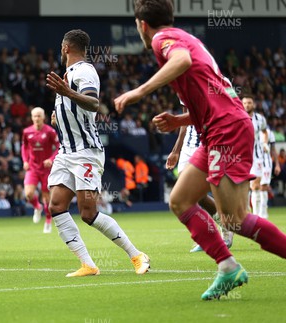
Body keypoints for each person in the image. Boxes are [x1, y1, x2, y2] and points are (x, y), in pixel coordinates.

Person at [115, 0, 286, 300]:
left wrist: (138, 92)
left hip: (226, 131)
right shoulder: (187, 37)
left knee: (235, 219)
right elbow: (217, 96)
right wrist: (180, 119)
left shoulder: (161, 40)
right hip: (216, 128)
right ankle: (228, 266)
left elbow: (181, 62)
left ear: (142, 25)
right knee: (180, 200)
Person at [45, 29, 150, 277]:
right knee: (57, 206)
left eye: (61, 47)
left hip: (85, 152)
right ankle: (88, 264)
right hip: (66, 151)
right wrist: (58, 119)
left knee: (88, 213)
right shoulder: (68, 74)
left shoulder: (84, 70)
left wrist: (67, 93)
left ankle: (137, 255)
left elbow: (93, 102)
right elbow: (76, 111)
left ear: (65, 47)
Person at [166, 105, 232, 253]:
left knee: (200, 192)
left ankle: (218, 229)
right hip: (187, 149)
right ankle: (211, 233)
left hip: (207, 146)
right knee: (188, 195)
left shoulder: (217, 85)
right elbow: (184, 124)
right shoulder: (183, 88)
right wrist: (175, 151)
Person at [22, 107, 58, 233]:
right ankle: (37, 207)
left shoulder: (50, 131)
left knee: (47, 197)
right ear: (32, 118)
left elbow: (59, 147)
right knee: (28, 194)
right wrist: (25, 160)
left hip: (46, 168)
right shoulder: (27, 132)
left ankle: (48, 220)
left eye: (39, 116)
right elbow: (24, 146)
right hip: (32, 167)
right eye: (35, 116)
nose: (37, 118)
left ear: (43, 117)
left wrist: (51, 159)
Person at [243, 95, 269, 220]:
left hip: (257, 156)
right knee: (243, 186)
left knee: (256, 185)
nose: (247, 105)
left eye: (249, 103)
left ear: (253, 104)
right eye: (245, 103)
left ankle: (257, 216)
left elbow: (264, 132)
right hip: (241, 156)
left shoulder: (260, 119)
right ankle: (245, 213)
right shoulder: (237, 116)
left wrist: (264, 143)